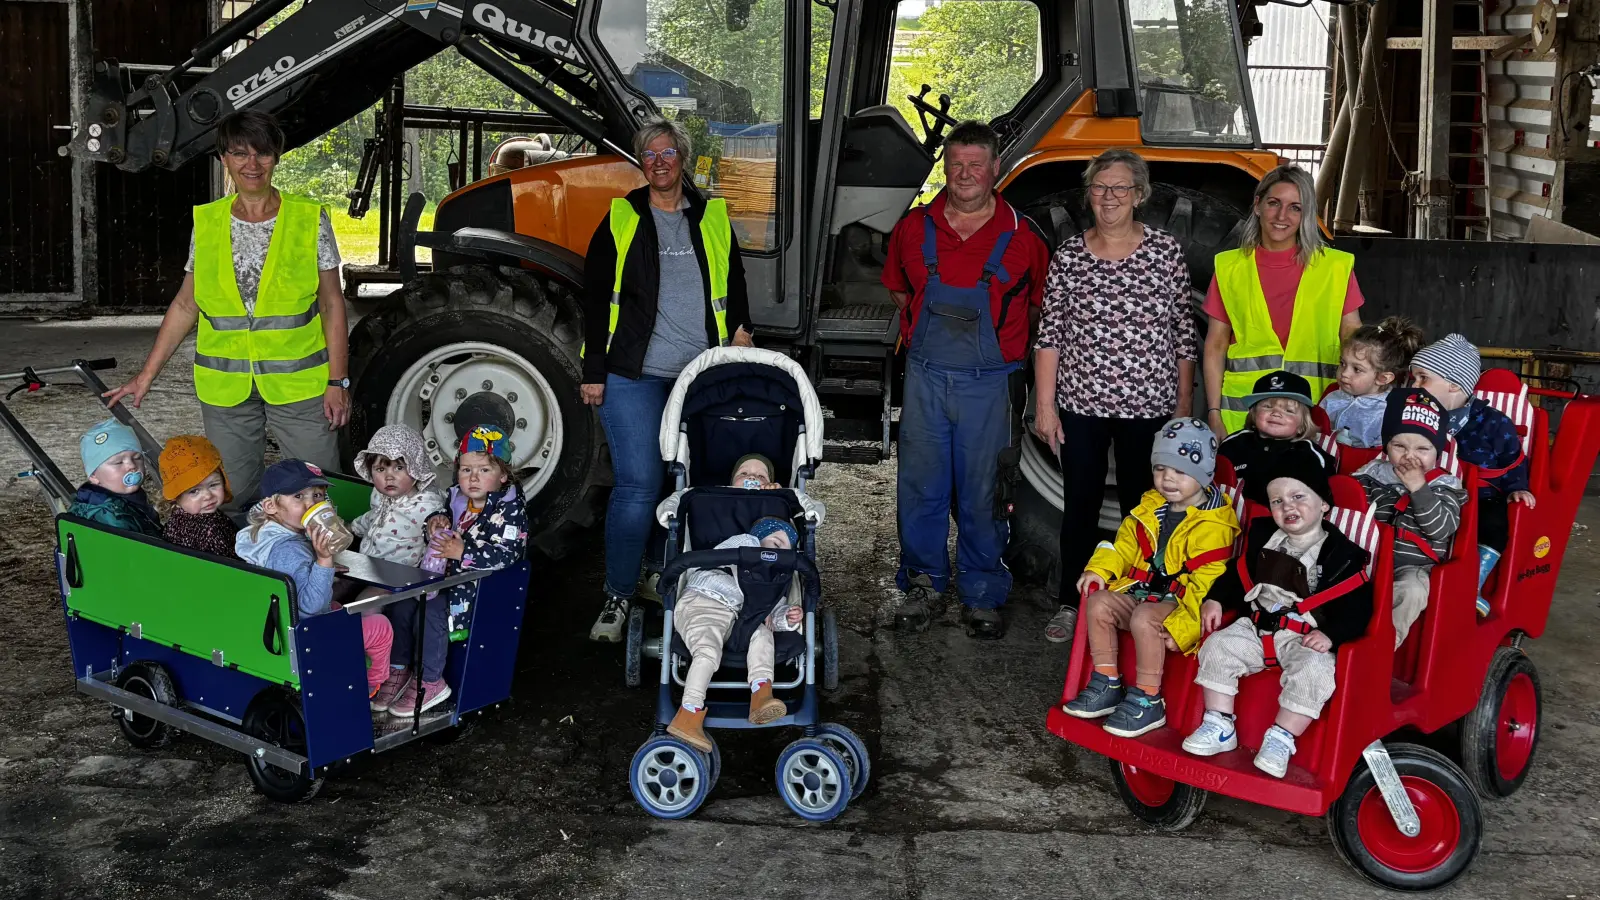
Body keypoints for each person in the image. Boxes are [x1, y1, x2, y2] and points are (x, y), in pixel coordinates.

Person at [102, 110, 350, 519]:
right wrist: (145, 376)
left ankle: (331, 570)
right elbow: (186, 304)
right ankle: (240, 569)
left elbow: (331, 303)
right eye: (240, 154)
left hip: (300, 384)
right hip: (226, 387)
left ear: (277, 157)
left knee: (318, 485)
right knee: (228, 492)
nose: (252, 165)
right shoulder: (209, 222)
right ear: (224, 160)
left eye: (263, 154)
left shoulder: (309, 218)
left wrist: (337, 379)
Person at [581, 116, 754, 643]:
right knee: (639, 485)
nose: (658, 162)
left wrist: (743, 331)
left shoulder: (711, 216)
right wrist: (594, 371)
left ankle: (665, 575)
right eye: (649, 154)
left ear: (682, 158)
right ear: (642, 163)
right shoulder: (621, 218)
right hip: (633, 374)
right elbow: (593, 297)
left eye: (667, 153)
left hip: (700, 376)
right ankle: (616, 594)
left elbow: (734, 279)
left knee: (693, 483)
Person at [882, 121, 1050, 640]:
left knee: (984, 492)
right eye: (957, 164)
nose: (966, 174)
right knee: (921, 487)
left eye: (977, 164)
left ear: (996, 168)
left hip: (991, 384)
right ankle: (923, 585)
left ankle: (982, 592)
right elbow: (899, 292)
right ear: (946, 168)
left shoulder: (1025, 236)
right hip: (928, 378)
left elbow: (1045, 309)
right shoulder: (914, 228)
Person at [1034, 148, 1198, 645]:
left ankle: (1135, 603)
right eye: (1100, 188)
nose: (1109, 197)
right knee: (1080, 506)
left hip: (1148, 407)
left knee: (1143, 508)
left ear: (1139, 195)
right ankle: (1071, 602)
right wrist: (1046, 407)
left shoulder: (1164, 252)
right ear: (1090, 194)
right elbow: (1050, 335)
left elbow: (1183, 334)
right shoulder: (1069, 255)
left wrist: (1183, 408)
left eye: (1120, 188)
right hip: (1081, 403)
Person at [1182, 444, 1372, 778]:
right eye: (1277, 501)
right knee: (1216, 646)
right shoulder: (1263, 539)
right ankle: (1219, 723)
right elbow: (1235, 574)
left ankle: (1282, 737)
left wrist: (1331, 636)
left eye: (1299, 497)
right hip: (1255, 627)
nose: (1288, 507)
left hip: (1304, 637)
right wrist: (1216, 599)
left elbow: (1359, 608)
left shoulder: (1342, 555)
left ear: (1324, 504)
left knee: (1315, 671)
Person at [1060, 418, 1239, 738]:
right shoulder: (1150, 506)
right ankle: (1107, 682)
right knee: (1099, 603)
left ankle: (1148, 698)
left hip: (1178, 605)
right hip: (1143, 593)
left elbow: (1207, 584)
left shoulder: (1215, 524)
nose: (1168, 479)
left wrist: (1184, 630)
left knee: (1144, 617)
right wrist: (1099, 570)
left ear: (1203, 475)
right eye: (1161, 469)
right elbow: (1123, 546)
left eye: (1180, 472)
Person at [1202, 165, 1364, 438]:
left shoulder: (1335, 268)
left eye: (1295, 208)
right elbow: (1216, 344)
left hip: (1315, 414)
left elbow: (1353, 337)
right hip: (1244, 415)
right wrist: (1213, 413)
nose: (1281, 216)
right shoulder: (1230, 268)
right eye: (1274, 203)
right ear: (1257, 205)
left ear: (1306, 215)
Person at [237, 460, 393, 698]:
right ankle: (373, 686)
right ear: (270, 505)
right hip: (307, 638)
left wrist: (322, 566)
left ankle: (344, 668)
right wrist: (323, 561)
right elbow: (311, 606)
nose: (311, 504)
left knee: (340, 607)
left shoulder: (261, 536)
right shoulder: (289, 550)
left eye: (318, 496)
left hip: (275, 630)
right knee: (380, 627)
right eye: (298, 496)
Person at [404, 425, 529, 716]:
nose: (473, 478)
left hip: (476, 596)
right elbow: (444, 518)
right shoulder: (456, 499)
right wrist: (434, 523)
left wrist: (464, 553)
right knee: (407, 605)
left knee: (430, 609)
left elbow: (508, 554)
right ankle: (403, 670)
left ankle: (431, 681)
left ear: (503, 475)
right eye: (465, 470)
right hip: (445, 581)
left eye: (484, 470)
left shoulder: (510, 511)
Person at [1408, 333, 1533, 617]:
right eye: (1413, 378)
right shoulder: (1417, 414)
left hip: (1482, 496)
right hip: (1434, 493)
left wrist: (1517, 487)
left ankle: (1472, 584)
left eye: (1422, 378)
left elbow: (1512, 461)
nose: (1414, 386)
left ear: (1454, 384)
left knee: (1494, 521)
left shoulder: (1494, 423)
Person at [667, 517, 805, 751]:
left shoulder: (774, 581)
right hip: (703, 603)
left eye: (786, 550)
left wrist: (787, 616)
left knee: (762, 634)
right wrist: (753, 555)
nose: (779, 552)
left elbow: (773, 613)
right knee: (707, 651)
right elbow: (733, 553)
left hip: (738, 619)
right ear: (759, 537)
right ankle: (688, 714)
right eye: (775, 543)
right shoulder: (745, 543)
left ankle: (761, 694)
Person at [350, 425, 450, 715]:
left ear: (416, 469)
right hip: (370, 568)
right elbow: (373, 519)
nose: (389, 476)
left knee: (363, 607)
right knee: (333, 591)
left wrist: (439, 527)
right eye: (381, 469)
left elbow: (438, 527)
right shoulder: (380, 496)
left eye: (399, 467)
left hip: (399, 577)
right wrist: (350, 527)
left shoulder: (427, 503)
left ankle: (383, 671)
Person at [1353, 389, 1465, 647]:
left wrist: (1419, 488)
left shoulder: (1444, 485)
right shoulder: (1370, 475)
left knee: (1412, 591)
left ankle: (1382, 646)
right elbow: (1348, 510)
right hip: (1366, 560)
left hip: (1411, 567)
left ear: (1436, 452)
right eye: (1399, 446)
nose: (1410, 456)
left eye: (1423, 448)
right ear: (1386, 447)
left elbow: (1441, 529)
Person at [1320, 317, 1424, 449]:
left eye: (1357, 369)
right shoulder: (1332, 397)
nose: (1344, 373)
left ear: (1383, 378)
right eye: (1342, 363)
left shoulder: (1388, 414)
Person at [1218, 370, 1335, 486]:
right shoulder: (1233, 445)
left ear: (1303, 424)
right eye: (1267, 407)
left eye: (1289, 411)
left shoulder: (1311, 456)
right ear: (1253, 414)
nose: (1276, 413)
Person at [70, 419, 162, 536]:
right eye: (118, 462)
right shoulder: (112, 517)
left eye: (137, 458)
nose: (132, 466)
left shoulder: (129, 499)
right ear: (93, 475)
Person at [158, 434, 239, 559]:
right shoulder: (211, 531)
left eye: (213, 485)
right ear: (176, 497)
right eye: (194, 491)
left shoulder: (176, 518)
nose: (207, 495)